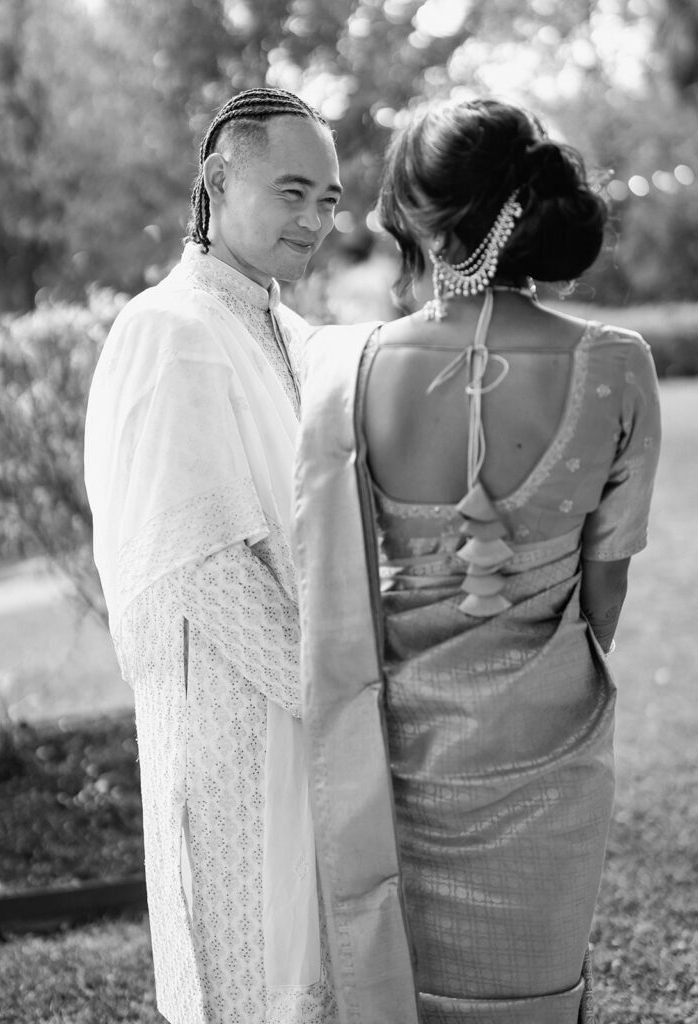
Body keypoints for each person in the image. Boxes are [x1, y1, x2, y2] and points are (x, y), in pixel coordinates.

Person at [294, 98, 661, 1024]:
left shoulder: (351, 368)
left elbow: (329, 574)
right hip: (549, 749)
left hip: (397, 758)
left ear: (425, 223)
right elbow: (605, 583)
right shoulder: (615, 365)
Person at [84, 87, 342, 1024]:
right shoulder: (170, 329)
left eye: (329, 199)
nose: (314, 219)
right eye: (291, 192)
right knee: (247, 986)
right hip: (230, 719)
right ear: (216, 180)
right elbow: (198, 564)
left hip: (310, 714)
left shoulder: (293, 334)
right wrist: (337, 697)